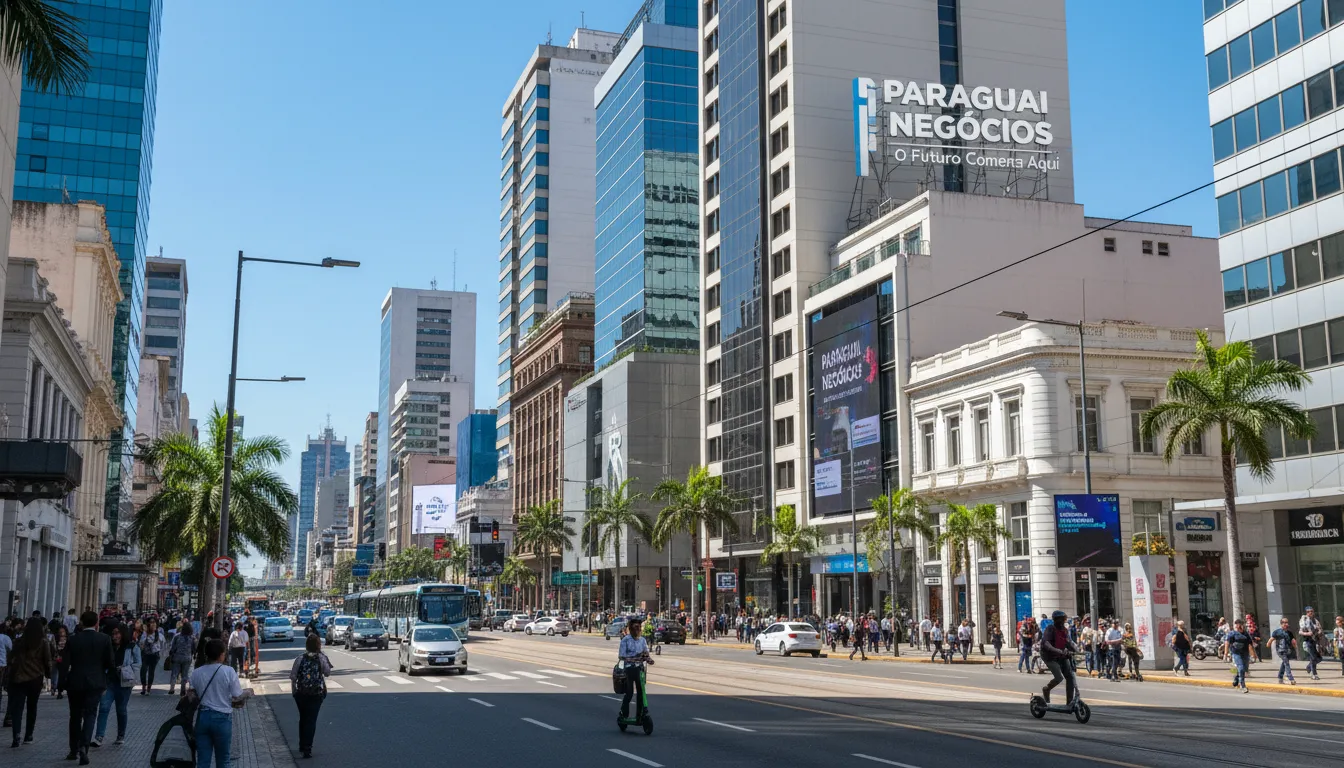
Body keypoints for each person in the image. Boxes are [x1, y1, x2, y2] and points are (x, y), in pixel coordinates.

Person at [64, 611, 115, 765]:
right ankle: (84, 747)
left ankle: (73, 749)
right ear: (96, 623)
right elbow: (110, 663)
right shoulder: (104, 639)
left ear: (81, 622)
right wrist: (105, 679)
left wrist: (63, 681)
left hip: (76, 682)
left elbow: (66, 662)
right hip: (95, 682)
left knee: (75, 716)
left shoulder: (73, 640)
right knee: (90, 714)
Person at [189, 638, 247, 768]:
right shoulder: (228, 671)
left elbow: (191, 696)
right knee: (223, 760)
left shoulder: (196, 673)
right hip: (222, 718)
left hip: (203, 717)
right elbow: (237, 696)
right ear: (221, 654)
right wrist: (248, 693)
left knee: (203, 761)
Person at [6, 617, 53, 746]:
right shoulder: (43, 642)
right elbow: (47, 660)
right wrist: (49, 674)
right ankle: (29, 735)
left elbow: (11, 658)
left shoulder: (20, 641)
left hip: (19, 678)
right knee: (32, 707)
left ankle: (16, 735)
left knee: (18, 708)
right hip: (35, 678)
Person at [92, 624, 139, 746]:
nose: (115, 636)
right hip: (109, 682)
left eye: (117, 633)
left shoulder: (132, 647)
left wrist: (127, 669)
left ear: (123, 633)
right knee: (103, 708)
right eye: (113, 634)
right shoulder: (108, 647)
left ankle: (120, 735)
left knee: (121, 710)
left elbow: (138, 664)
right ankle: (99, 736)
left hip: (124, 683)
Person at [290, 634, 331, 758]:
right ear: (318, 645)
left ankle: (302, 744)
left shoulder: (300, 658)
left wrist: (294, 691)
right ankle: (307, 747)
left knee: (303, 718)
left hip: (301, 693)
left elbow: (293, 676)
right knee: (311, 720)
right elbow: (327, 673)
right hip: (316, 694)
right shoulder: (321, 658)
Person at [617, 617, 653, 721]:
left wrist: (648, 658)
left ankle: (640, 715)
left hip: (640, 669)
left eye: (639, 627)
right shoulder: (625, 640)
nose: (637, 630)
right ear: (630, 629)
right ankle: (624, 713)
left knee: (641, 693)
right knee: (629, 693)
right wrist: (635, 658)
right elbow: (622, 656)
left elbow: (646, 653)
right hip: (629, 669)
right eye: (635, 628)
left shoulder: (642, 640)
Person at [1039, 610, 1078, 706]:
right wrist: (1059, 651)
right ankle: (1046, 689)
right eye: (1062, 619)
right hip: (1049, 657)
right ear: (1056, 620)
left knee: (1070, 677)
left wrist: (1076, 650)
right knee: (1059, 677)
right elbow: (1047, 645)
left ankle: (1069, 702)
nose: (1063, 622)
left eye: (1064, 619)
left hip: (1061, 655)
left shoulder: (1064, 630)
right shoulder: (1050, 629)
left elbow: (1068, 642)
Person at [1223, 618, 1254, 693]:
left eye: (1239, 624)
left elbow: (1250, 644)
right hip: (1236, 653)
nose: (1238, 626)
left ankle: (1236, 679)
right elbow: (1227, 643)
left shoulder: (1246, 634)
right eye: (1236, 624)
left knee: (1245, 669)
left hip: (1245, 653)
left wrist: (1253, 655)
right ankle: (1242, 685)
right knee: (1241, 668)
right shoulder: (1232, 633)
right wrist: (1225, 654)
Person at [138, 617, 164, 696]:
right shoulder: (144, 634)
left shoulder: (159, 634)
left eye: (154, 622)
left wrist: (160, 653)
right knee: (143, 671)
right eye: (151, 622)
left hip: (154, 655)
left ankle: (148, 689)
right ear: (148, 624)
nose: (153, 624)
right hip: (145, 655)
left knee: (151, 672)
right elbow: (141, 644)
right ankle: (143, 687)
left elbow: (162, 644)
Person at [166, 621, 194, 695]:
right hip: (187, 658)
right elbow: (193, 648)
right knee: (185, 674)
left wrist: (171, 653)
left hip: (177, 657)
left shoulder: (177, 636)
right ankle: (183, 689)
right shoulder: (191, 638)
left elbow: (172, 647)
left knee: (174, 673)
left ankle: (172, 688)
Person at [1299, 606, 1323, 681]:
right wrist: (1307, 634)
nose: (1310, 613)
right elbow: (1300, 632)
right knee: (1313, 658)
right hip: (1308, 641)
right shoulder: (1304, 620)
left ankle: (1309, 667)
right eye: (1309, 611)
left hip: (1315, 641)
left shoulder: (1315, 621)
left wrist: (1319, 632)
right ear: (1306, 612)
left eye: (1312, 611)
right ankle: (1314, 674)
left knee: (1319, 658)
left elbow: (1320, 629)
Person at [1270, 617, 1297, 685]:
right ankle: (1291, 678)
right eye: (1284, 623)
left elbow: (1293, 641)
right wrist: (1268, 644)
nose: (1286, 624)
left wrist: (1295, 646)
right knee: (1286, 663)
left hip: (1287, 650)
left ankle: (1280, 677)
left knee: (1284, 663)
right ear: (1281, 624)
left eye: (1287, 622)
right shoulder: (1277, 632)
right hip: (1280, 650)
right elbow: (1272, 639)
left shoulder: (1289, 633)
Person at [52, 625, 70, 697]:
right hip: (57, 657)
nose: (61, 633)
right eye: (60, 631)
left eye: (63, 631)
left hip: (65, 658)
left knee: (63, 674)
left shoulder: (69, 639)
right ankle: (57, 689)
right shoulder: (56, 639)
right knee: (57, 674)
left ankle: (61, 689)